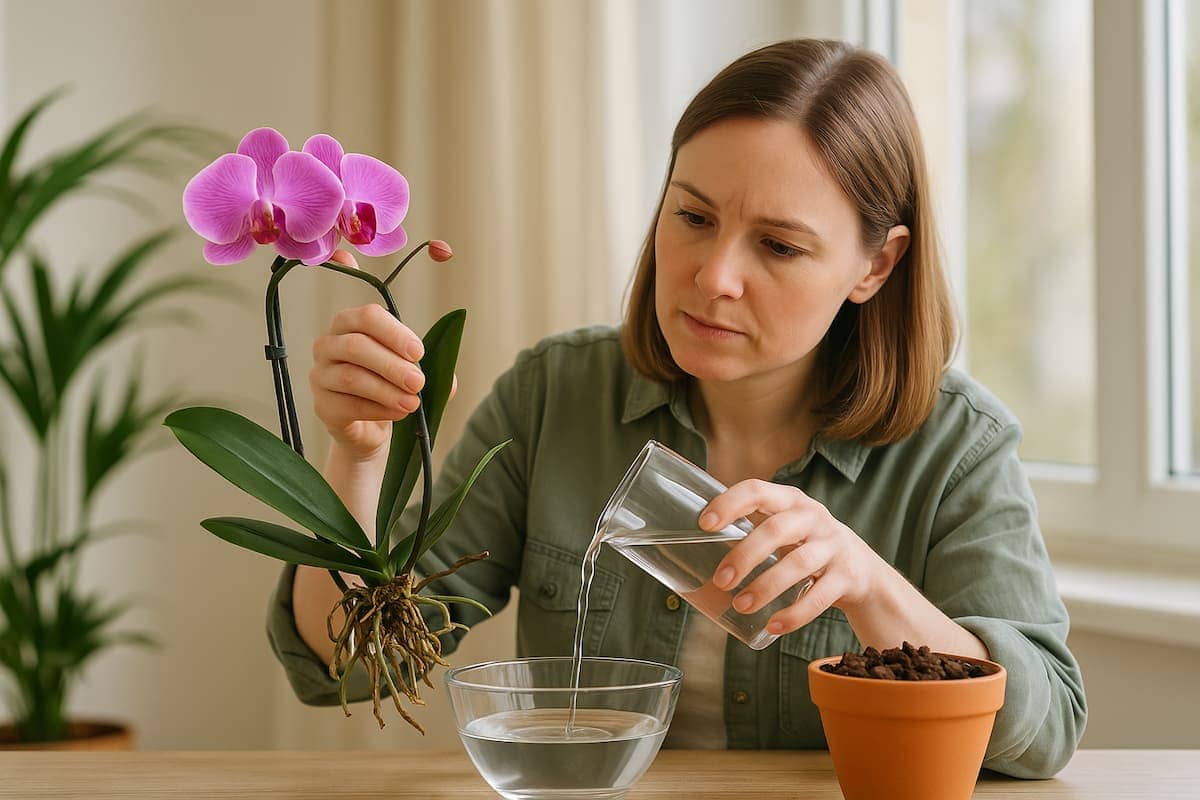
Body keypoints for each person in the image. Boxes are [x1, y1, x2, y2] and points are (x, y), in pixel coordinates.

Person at [267, 38, 1086, 778]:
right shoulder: (555, 395)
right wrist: (359, 455)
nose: (714, 275)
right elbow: (355, 667)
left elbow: (1046, 727)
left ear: (877, 264)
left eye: (779, 245)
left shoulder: (955, 447)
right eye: (692, 216)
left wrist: (870, 588)